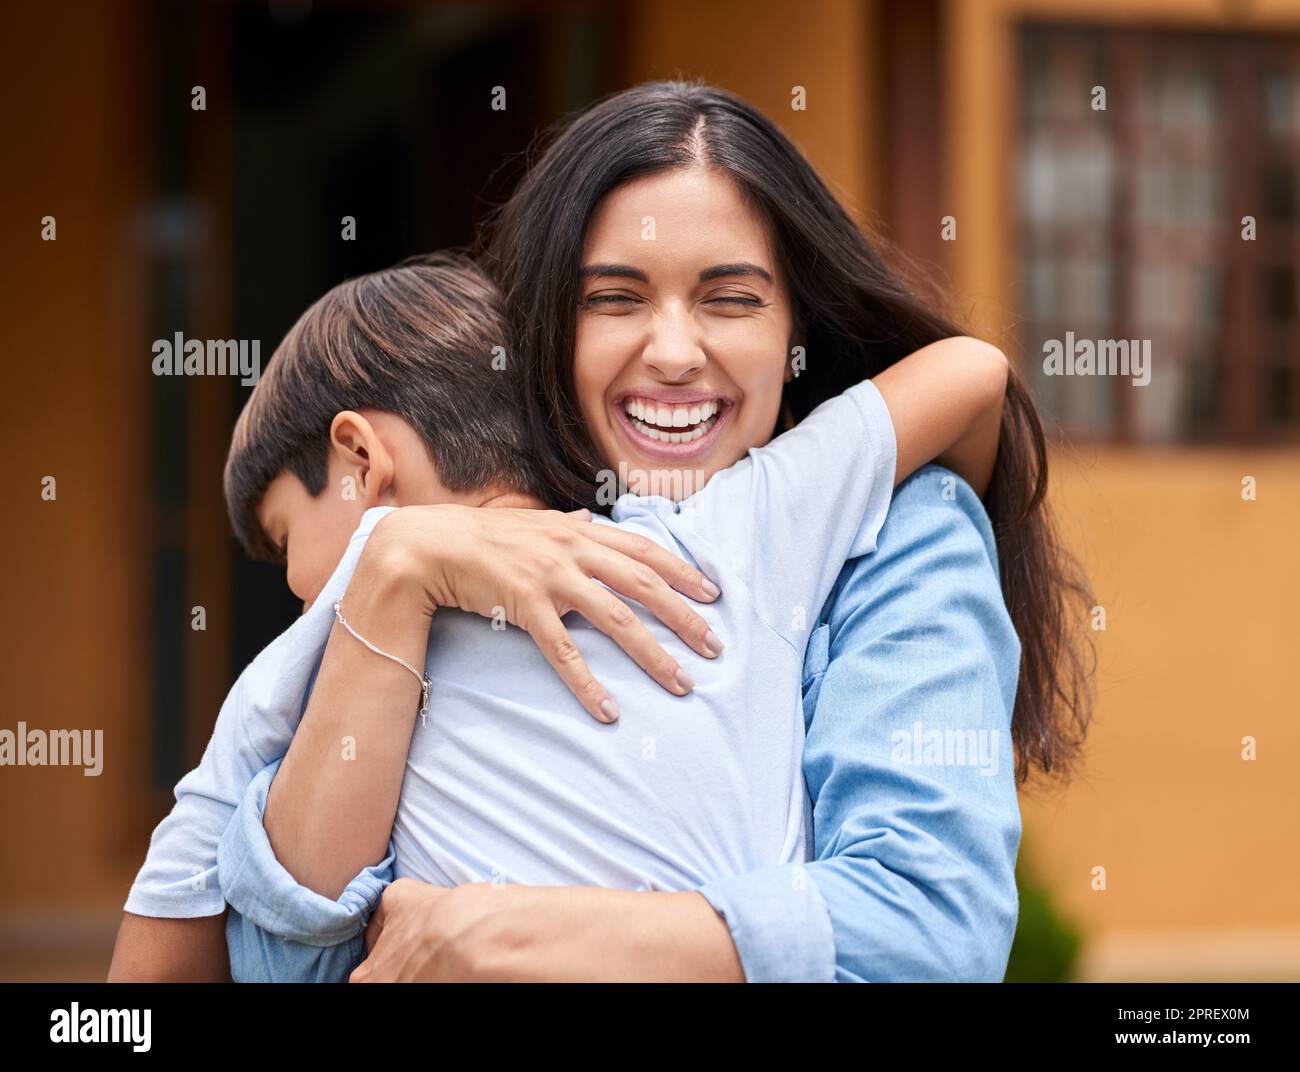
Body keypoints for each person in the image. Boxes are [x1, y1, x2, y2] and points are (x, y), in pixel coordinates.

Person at [113, 230, 1008, 981]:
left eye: (283, 540)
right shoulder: (728, 532)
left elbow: (148, 968)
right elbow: (972, 371)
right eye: (618, 299)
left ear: (358, 458)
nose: (295, 588)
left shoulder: (334, 631)